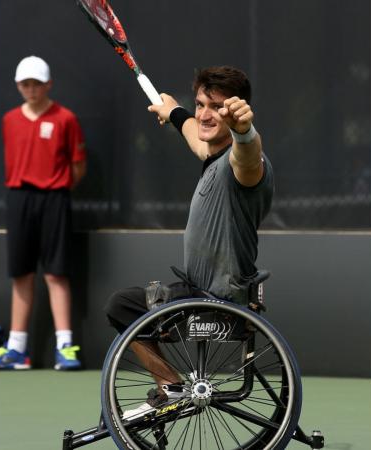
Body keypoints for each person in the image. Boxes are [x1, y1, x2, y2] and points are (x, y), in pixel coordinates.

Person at [104, 66, 274, 418]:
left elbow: (248, 155)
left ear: (235, 109)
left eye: (216, 107)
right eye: (200, 104)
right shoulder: (211, 154)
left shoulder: (243, 165)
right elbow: (197, 138)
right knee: (127, 304)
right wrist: (175, 111)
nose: (205, 114)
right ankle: (172, 386)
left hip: (215, 297)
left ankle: (171, 387)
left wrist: (245, 131)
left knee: (122, 306)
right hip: (200, 290)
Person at [0, 56, 87, 371]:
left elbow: (78, 166)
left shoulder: (66, 119)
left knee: (56, 273)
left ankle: (65, 346)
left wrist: (57, 188)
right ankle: (17, 349)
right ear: (19, 86)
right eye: (25, 84)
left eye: (36, 83)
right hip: (19, 200)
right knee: (21, 274)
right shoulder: (9, 120)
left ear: (48, 84)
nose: (31, 89)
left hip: (55, 200)